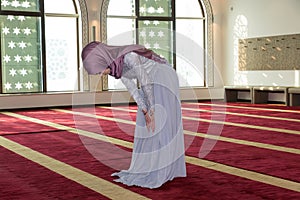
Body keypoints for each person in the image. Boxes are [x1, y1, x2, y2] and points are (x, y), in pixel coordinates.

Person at [81, 41, 186, 189]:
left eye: (99, 71)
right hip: (150, 83)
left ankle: (164, 167)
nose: (101, 74)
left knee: (162, 123)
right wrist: (145, 111)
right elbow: (133, 90)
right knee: (147, 126)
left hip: (162, 76)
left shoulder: (129, 56)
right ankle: (151, 165)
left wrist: (152, 110)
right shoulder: (115, 67)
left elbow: (145, 81)